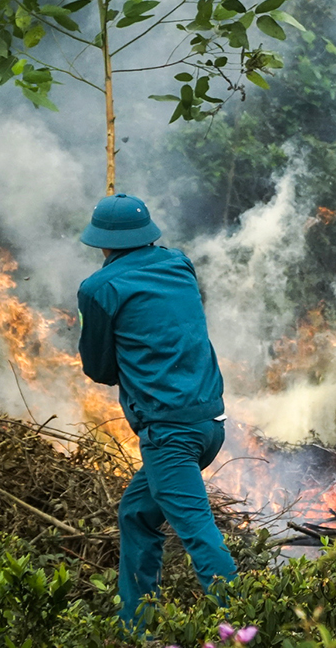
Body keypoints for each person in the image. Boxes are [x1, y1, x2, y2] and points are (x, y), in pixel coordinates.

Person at [75, 194, 237, 626]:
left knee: (198, 533)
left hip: (170, 435)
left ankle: (245, 626)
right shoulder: (178, 263)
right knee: (135, 514)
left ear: (101, 242)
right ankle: (136, 626)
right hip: (210, 424)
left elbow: (99, 368)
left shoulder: (98, 289)